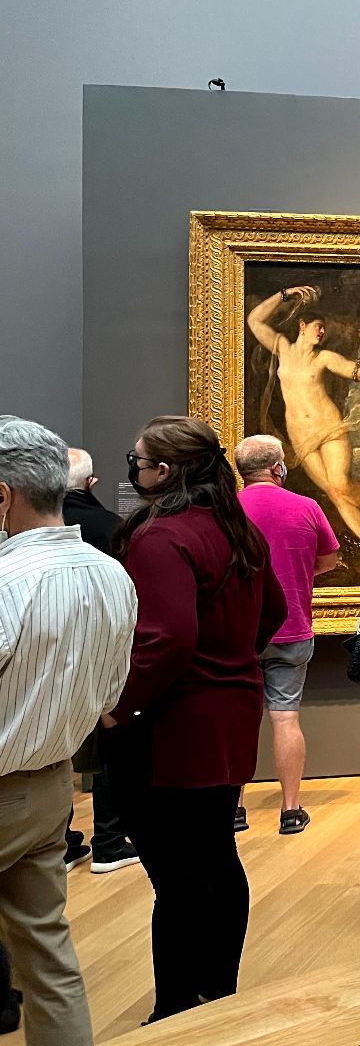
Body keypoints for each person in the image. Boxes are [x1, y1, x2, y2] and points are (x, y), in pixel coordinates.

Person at [103, 416, 285, 1024]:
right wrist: (231, 658)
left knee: (177, 877)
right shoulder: (238, 531)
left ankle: (176, 1012)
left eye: (137, 461)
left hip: (172, 724)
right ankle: (217, 993)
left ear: (164, 471)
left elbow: (169, 638)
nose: (134, 469)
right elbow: (274, 611)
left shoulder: (161, 537)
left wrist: (120, 708)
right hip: (229, 714)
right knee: (214, 856)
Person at [0, 417, 135, 1045]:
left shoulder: (7, 582)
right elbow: (108, 698)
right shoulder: (112, 575)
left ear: (3, 495)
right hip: (52, 787)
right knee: (47, 953)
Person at [246, 285, 360, 575]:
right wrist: (285, 294)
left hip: (330, 428)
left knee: (341, 483)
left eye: (323, 328)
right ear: (302, 325)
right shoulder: (282, 348)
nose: (322, 332)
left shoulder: (323, 358)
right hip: (301, 436)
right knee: (335, 494)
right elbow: (254, 321)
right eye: (318, 326)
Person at [235, 433, 340, 835]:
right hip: (291, 627)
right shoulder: (306, 506)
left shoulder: (227, 509)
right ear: (277, 467)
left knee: (239, 720)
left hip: (240, 632)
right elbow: (329, 560)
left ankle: (234, 809)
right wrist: (297, 573)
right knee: (285, 718)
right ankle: (290, 810)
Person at [58, 447, 138, 874]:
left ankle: (63, 842)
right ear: (91, 483)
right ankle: (108, 840)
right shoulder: (113, 527)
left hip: (52, 653)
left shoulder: (25, 529)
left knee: (53, 749)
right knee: (110, 744)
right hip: (106, 651)